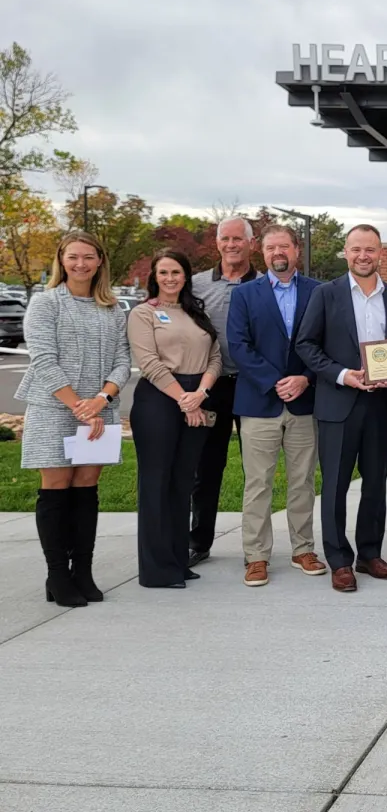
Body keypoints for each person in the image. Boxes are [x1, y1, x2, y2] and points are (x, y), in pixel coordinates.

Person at [16, 231, 131, 607]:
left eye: (88, 257)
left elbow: (121, 362)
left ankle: (82, 570)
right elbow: (43, 359)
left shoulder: (113, 309)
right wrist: (77, 405)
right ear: (61, 261)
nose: (80, 264)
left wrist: (100, 400)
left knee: (86, 486)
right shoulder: (45, 303)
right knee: (56, 485)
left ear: (100, 262)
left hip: (100, 408)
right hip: (54, 407)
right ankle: (57, 575)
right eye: (72, 257)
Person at [295, 224, 387, 593]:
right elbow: (307, 345)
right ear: (346, 252)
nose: (363, 256)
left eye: (370, 250)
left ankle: (370, 554)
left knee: (375, 485)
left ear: (381, 254)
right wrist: (343, 375)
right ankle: (340, 561)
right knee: (336, 487)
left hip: (381, 404)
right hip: (339, 403)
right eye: (356, 249)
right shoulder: (325, 294)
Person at [226, 224, 326, 588]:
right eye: (270, 247)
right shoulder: (244, 294)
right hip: (259, 402)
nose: (277, 253)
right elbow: (238, 345)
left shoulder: (319, 292)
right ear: (261, 252)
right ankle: (256, 556)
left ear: (296, 250)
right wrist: (274, 381)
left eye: (284, 246)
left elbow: (326, 345)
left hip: (305, 401)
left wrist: (306, 379)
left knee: (302, 482)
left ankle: (303, 549)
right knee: (258, 484)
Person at [127, 251, 223, 589]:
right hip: (159, 400)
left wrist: (199, 394)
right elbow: (149, 363)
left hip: (197, 394)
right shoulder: (143, 314)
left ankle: (177, 561)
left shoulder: (196, 312)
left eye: (177, 272)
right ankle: (156, 570)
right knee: (156, 484)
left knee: (183, 483)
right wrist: (184, 399)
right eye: (164, 272)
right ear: (155, 276)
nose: (170, 278)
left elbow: (215, 356)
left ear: (186, 276)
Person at [187, 216, 258, 566]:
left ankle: (255, 548)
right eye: (225, 239)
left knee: (256, 471)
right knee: (206, 469)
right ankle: (198, 542)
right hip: (210, 388)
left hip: (253, 387)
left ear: (251, 243)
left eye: (238, 239)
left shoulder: (265, 284)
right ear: (217, 243)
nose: (232, 245)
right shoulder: (196, 286)